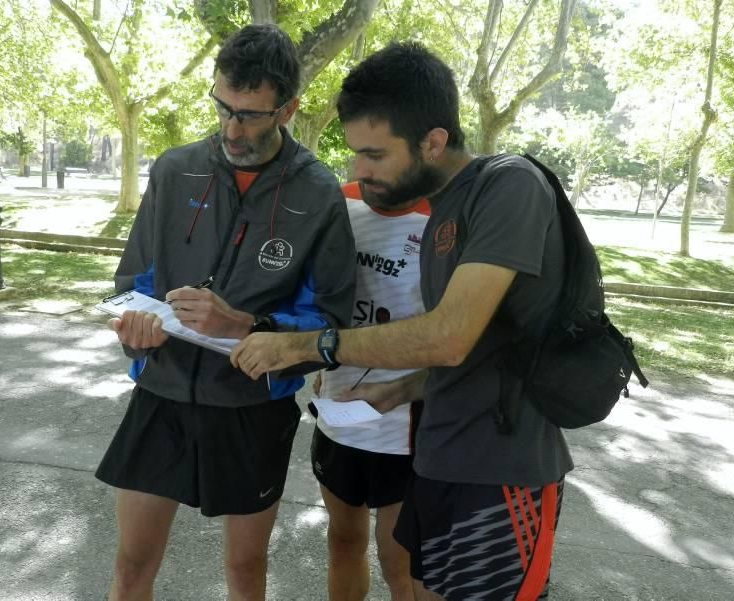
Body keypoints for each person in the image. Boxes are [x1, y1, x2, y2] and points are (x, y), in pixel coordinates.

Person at [231, 42, 574, 601]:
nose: (358, 171)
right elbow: (485, 349)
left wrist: (305, 346)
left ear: (432, 142)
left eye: (373, 155)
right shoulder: (447, 211)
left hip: (501, 471)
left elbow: (450, 337)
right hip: (439, 454)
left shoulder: (507, 185)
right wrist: (406, 388)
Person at [96, 24, 356, 601]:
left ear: (287, 108)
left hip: (250, 408)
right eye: (223, 108)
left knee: (244, 571)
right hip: (161, 395)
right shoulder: (174, 169)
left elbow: (333, 324)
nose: (232, 129)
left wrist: (245, 326)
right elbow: (132, 281)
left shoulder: (317, 194)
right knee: (131, 566)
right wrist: (137, 332)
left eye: (251, 115)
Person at [311, 178, 430, 601]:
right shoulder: (342, 200)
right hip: (339, 411)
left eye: (377, 153)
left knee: (399, 561)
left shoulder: (447, 216)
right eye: (359, 151)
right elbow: (321, 292)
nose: (364, 164)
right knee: (343, 541)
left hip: (404, 427)